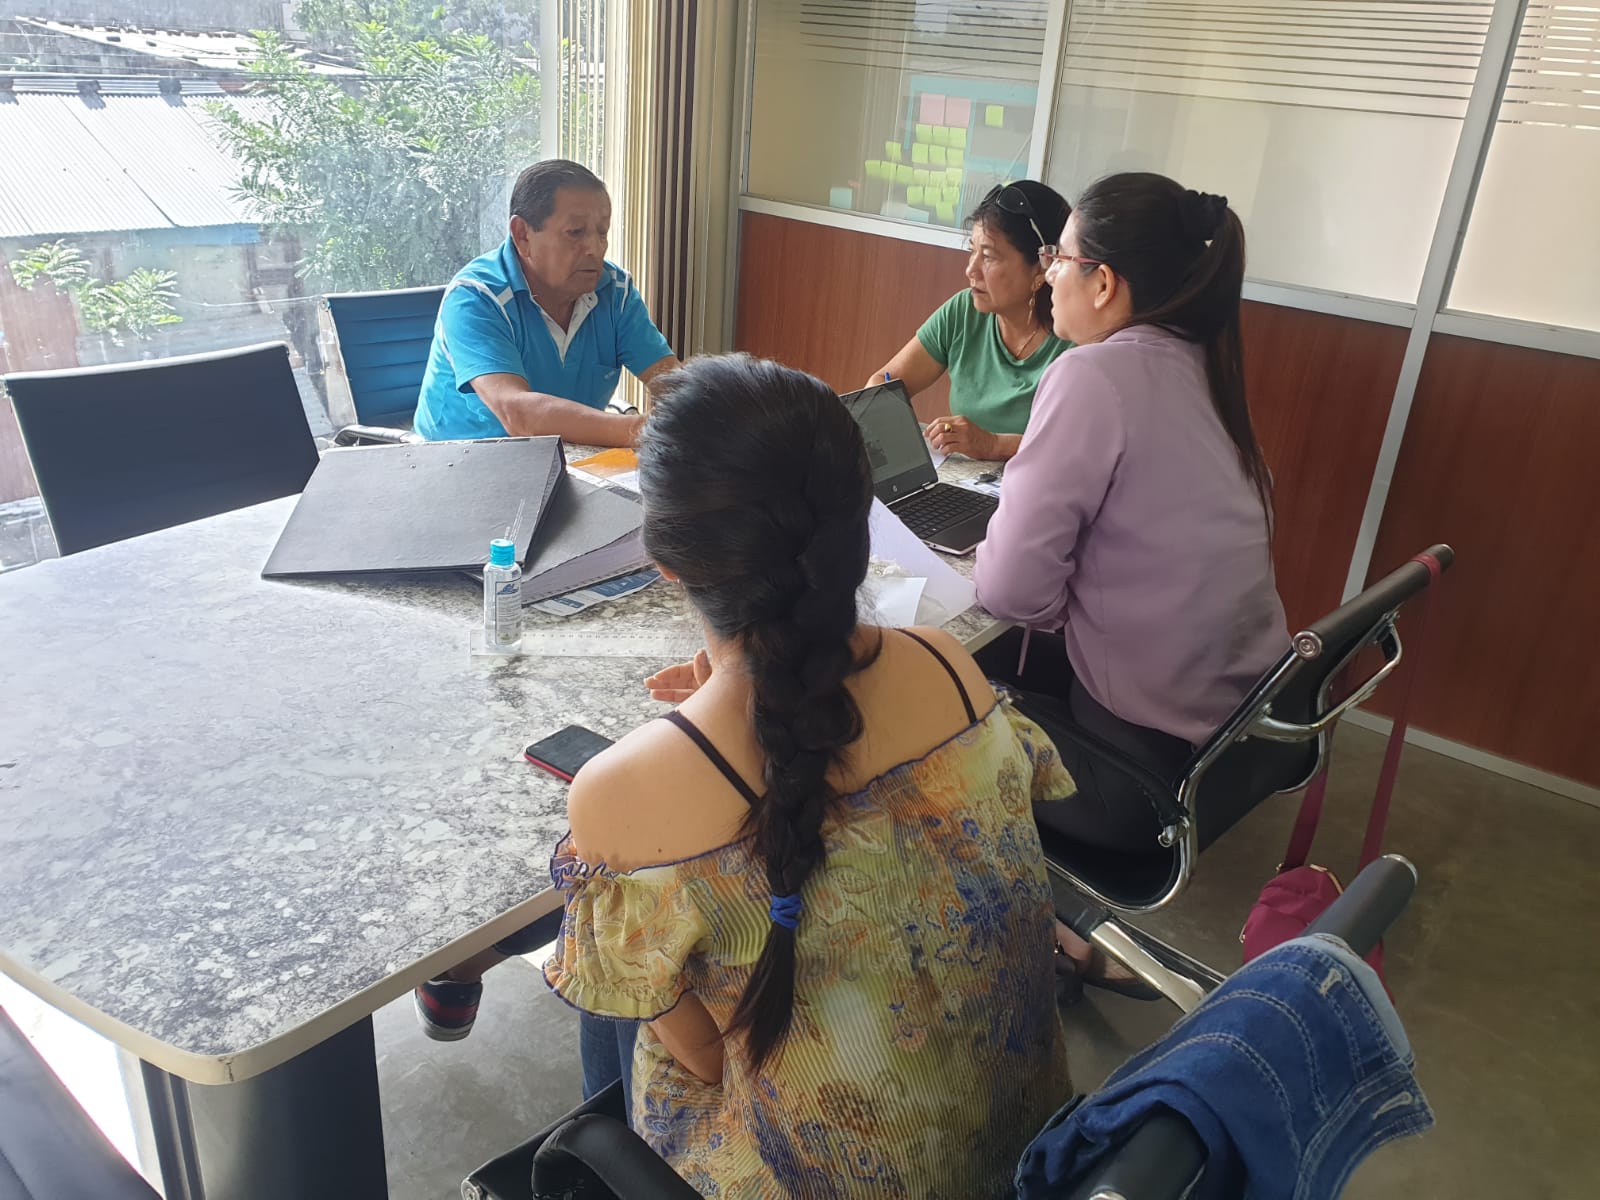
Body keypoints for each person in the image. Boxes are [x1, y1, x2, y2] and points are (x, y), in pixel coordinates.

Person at [541, 355, 1074, 1196]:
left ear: (665, 559)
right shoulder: (950, 667)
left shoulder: (618, 793)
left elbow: (709, 1062)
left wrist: (689, 746)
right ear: (857, 523)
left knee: (622, 986)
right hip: (1024, 1155)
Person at [973, 173, 1288, 984]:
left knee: (918, 692)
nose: (1049, 274)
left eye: (1058, 256)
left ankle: (996, 940)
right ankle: (1058, 925)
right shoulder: (1209, 370)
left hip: (1136, 786)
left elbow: (1009, 592)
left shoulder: (1092, 377)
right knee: (996, 655)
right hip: (1230, 750)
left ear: (1104, 282)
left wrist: (1052, 589)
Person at [412, 159, 679, 444]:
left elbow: (673, 384)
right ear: (522, 235)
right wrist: (650, 430)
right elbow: (518, 413)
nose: (595, 248)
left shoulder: (615, 292)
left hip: (567, 457)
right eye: (575, 232)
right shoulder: (476, 297)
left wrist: (697, 412)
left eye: (602, 232)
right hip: (459, 459)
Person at [867, 180, 1071, 462]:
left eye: (988, 256)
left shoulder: (1074, 338)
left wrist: (994, 445)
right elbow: (882, 383)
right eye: (971, 250)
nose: (970, 270)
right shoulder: (965, 311)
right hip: (963, 484)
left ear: (1040, 269)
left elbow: (1078, 448)